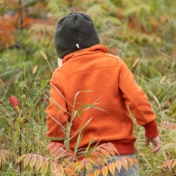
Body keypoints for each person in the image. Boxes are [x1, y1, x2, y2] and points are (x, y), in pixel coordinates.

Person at [46, 12, 160, 175]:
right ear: (94, 41)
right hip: (121, 157)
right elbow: (137, 99)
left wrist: (57, 147)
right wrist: (151, 129)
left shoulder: (60, 75)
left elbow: (56, 116)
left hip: (85, 160)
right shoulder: (115, 64)